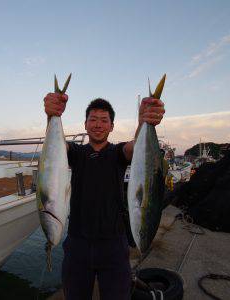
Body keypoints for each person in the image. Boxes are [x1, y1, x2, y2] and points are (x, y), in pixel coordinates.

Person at [44, 91, 165, 300]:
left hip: (114, 246)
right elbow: (56, 147)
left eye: (104, 120)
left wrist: (144, 122)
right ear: (85, 125)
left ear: (111, 126)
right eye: (93, 120)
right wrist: (52, 116)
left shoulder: (118, 153)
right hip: (77, 244)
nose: (98, 125)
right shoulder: (75, 153)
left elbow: (135, 148)